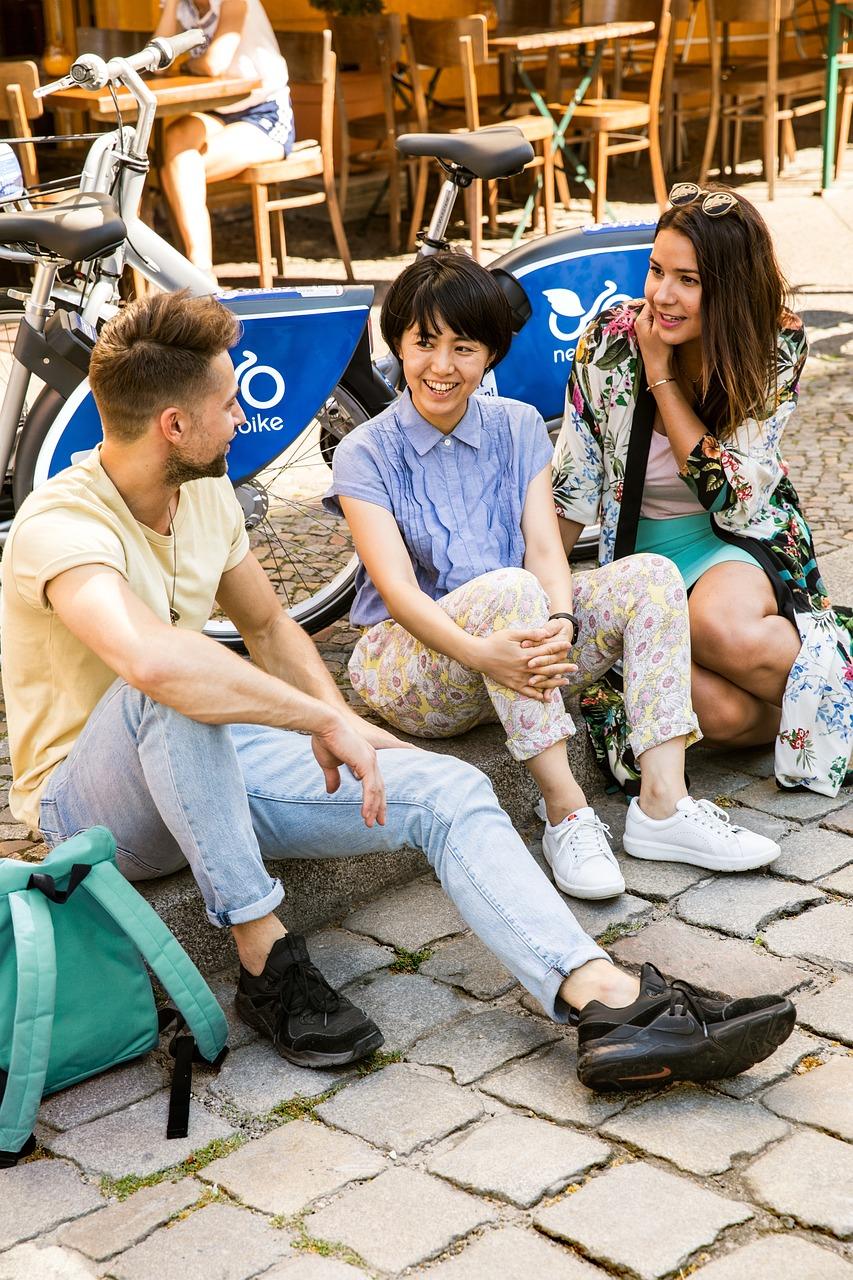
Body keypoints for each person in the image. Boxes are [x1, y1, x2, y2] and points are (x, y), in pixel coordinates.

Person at [0, 291, 795, 1093]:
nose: (241, 418)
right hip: (94, 809)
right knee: (170, 687)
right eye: (228, 402)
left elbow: (270, 627)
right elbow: (152, 664)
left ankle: (604, 1001)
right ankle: (266, 962)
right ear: (173, 424)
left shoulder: (202, 492)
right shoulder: (60, 525)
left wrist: (342, 722)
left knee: (452, 789)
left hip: (216, 763)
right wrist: (317, 718)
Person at [325, 249, 781, 906]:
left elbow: (545, 550)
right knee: (510, 589)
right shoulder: (365, 451)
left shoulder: (516, 427)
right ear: (397, 343)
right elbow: (396, 592)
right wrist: (482, 652)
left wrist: (563, 622)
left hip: (518, 646)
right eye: (424, 343)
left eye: (463, 347)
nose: (441, 366)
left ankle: (663, 804)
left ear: (490, 354)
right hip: (414, 668)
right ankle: (565, 812)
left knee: (649, 577)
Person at [553, 182, 853, 799]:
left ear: (730, 288)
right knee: (716, 712)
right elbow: (573, 488)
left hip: (733, 539)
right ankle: (817, 713)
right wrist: (539, 608)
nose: (662, 295)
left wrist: (661, 378)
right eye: (656, 270)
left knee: (716, 624)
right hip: (642, 552)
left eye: (687, 280)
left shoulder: (773, 344)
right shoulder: (608, 341)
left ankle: (830, 709)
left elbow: (733, 495)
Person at [154, 0, 295, 276]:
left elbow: (214, 63)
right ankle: (199, 271)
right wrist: (170, 5)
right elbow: (158, 63)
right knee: (177, 139)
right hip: (218, 111)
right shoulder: (184, 7)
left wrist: (187, 64)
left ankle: (199, 270)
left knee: (177, 166)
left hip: (264, 112)